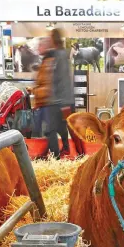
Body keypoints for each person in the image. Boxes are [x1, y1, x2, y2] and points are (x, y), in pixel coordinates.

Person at [50, 28, 84, 158]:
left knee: (70, 126)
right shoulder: (61, 54)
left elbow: (61, 79)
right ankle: (67, 148)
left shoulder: (59, 55)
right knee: (62, 125)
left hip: (64, 101)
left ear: (54, 39)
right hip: (64, 100)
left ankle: (80, 152)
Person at [31, 37, 62, 159]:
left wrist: (36, 91)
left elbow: (48, 85)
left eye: (40, 46)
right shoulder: (46, 60)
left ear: (46, 46)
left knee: (50, 130)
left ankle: (55, 156)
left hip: (49, 102)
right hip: (46, 102)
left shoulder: (49, 61)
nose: (38, 48)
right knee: (49, 130)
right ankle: (48, 154)